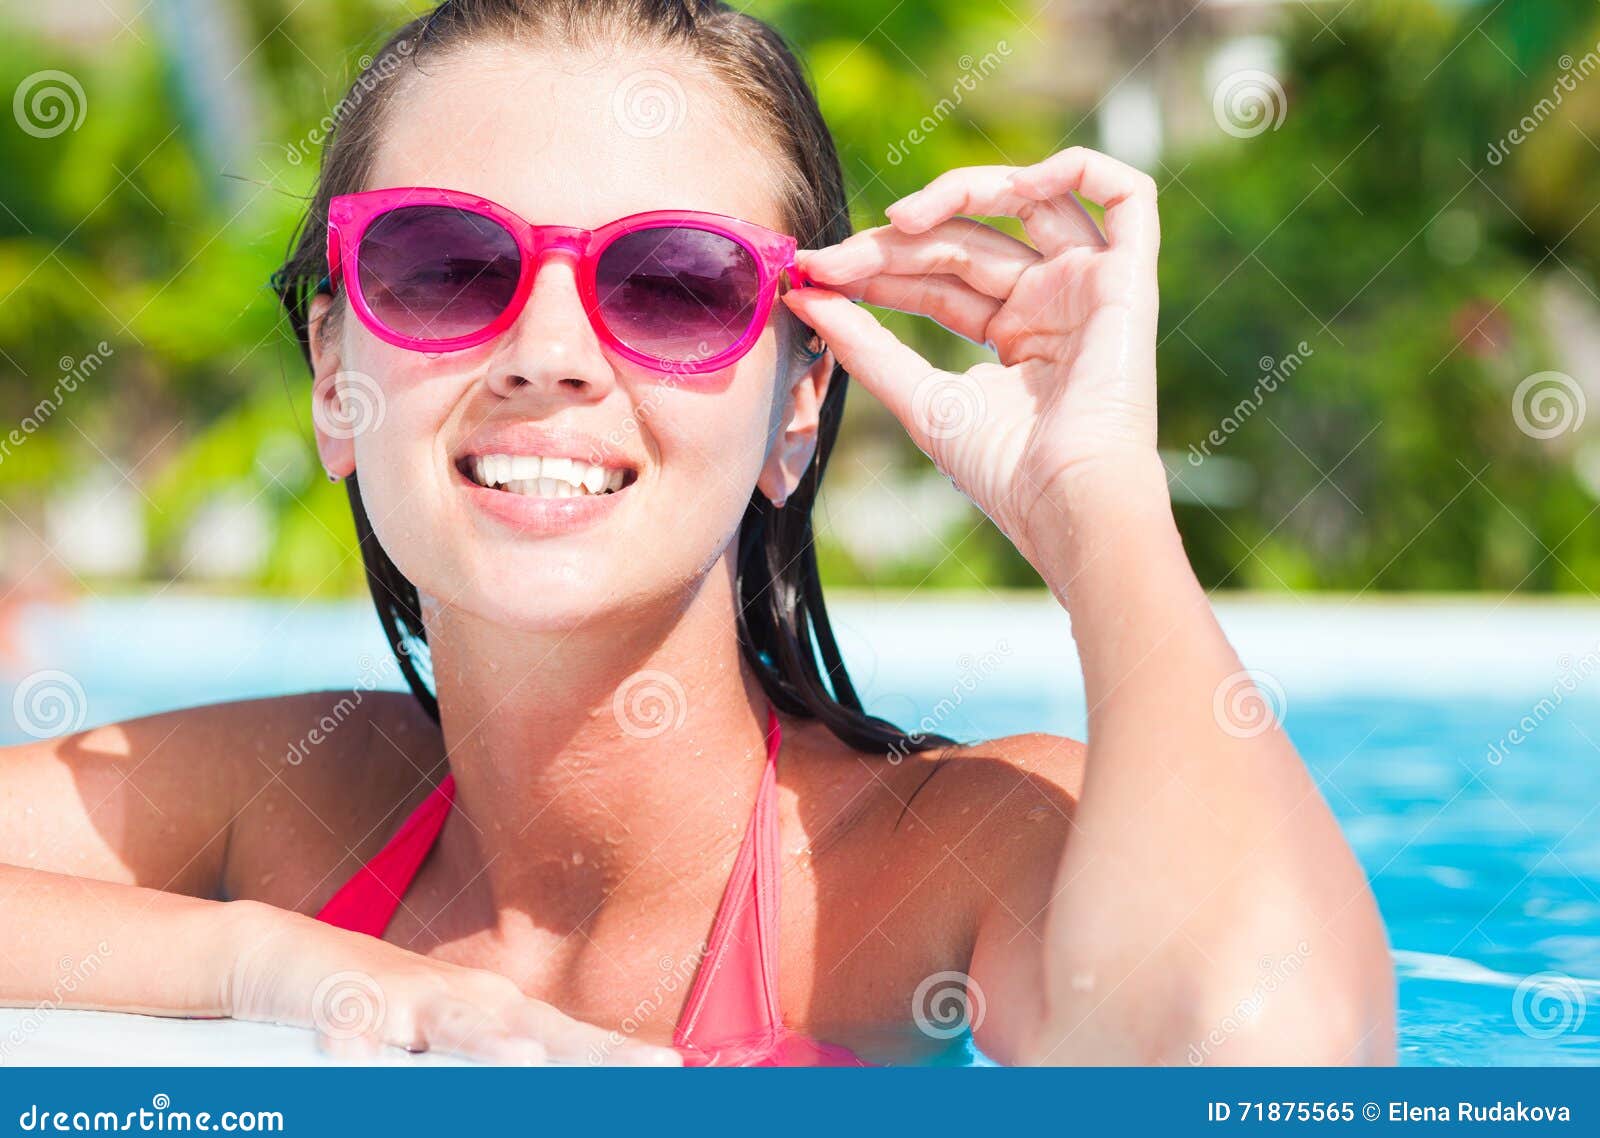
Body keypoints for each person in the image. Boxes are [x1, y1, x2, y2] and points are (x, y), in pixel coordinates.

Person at [0, 0, 1394, 1066]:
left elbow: (1264, 1064)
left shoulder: (918, 874)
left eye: (672, 283)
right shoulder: (300, 802)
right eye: (446, 264)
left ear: (798, 408)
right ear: (333, 377)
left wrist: (1102, 512)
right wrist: (264, 963)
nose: (549, 352)